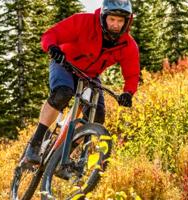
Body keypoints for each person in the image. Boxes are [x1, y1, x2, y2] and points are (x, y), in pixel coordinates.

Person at [25, 0, 140, 164]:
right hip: (65, 63)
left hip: (90, 76)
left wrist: (128, 93)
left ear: (127, 22)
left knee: (97, 116)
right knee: (62, 93)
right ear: (103, 17)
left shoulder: (127, 45)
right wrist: (52, 48)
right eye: (112, 19)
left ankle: (61, 158)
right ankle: (35, 144)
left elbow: (132, 74)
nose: (116, 24)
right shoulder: (83, 22)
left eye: (120, 21)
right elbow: (51, 34)